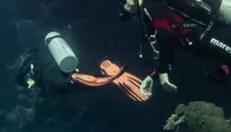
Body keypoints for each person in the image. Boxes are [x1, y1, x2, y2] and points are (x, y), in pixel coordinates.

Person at [14, 32, 149, 102]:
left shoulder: (31, 58)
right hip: (67, 62)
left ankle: (107, 78)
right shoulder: (52, 48)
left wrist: (29, 84)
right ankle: (100, 70)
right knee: (75, 75)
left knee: (73, 83)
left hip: (51, 75)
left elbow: (18, 79)